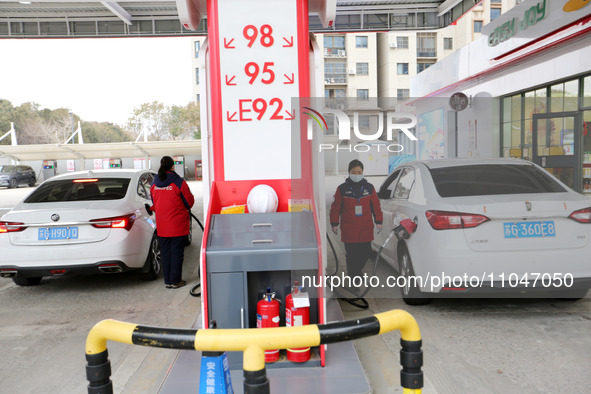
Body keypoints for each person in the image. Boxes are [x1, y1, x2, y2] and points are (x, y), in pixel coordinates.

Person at [330, 159, 383, 279]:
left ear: (363, 172)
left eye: (359, 172)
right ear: (349, 172)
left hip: (365, 227)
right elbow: (336, 207)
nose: (357, 175)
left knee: (365, 253)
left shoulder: (369, 188)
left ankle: (357, 271)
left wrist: (379, 221)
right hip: (349, 228)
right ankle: (354, 278)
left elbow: (376, 206)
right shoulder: (342, 189)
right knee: (352, 255)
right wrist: (334, 223)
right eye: (354, 172)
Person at [150, 156, 195, 289]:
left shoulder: (154, 182)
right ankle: (175, 281)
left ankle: (168, 281)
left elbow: (154, 202)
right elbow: (189, 202)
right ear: (173, 166)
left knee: (166, 253)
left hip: (162, 225)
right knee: (176, 253)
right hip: (177, 225)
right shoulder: (178, 182)